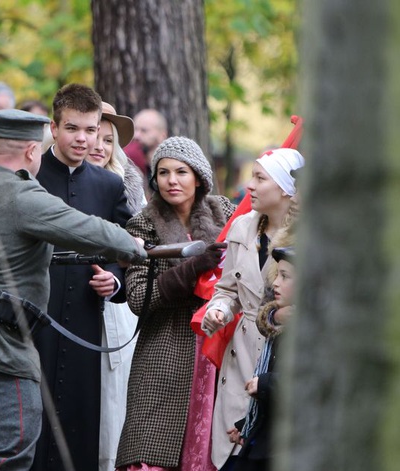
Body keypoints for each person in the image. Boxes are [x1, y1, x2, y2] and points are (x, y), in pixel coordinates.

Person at [0, 108, 148, 469]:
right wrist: (135, 248)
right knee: (10, 451)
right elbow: (87, 229)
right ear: (33, 151)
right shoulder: (23, 195)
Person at [114, 136, 235, 471]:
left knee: (211, 450)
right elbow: (139, 298)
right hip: (163, 351)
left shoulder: (225, 212)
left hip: (219, 346)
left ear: (199, 177)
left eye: (181, 172)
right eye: (163, 173)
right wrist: (193, 267)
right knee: (148, 450)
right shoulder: (143, 223)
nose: (171, 180)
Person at [33, 83, 133, 470]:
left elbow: (125, 252)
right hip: (34, 319)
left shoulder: (109, 184)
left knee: (79, 423)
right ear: (54, 128)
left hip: (86, 324)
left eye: (90, 130)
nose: (83, 138)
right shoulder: (30, 176)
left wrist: (113, 280)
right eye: (73, 128)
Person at [202, 148, 304, 471]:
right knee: (233, 455)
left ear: (286, 188)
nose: (250, 186)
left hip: (284, 358)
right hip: (241, 358)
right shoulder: (242, 228)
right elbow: (226, 289)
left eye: (260, 178)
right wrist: (218, 310)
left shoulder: (309, 237)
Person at [85, 101, 146, 471]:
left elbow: (136, 252)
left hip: (115, 309)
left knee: (114, 399)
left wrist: (116, 277)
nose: (99, 146)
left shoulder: (124, 192)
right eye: (93, 134)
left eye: (108, 140)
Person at [232, 240, 296, 471]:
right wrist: (247, 423)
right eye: (277, 275)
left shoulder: (311, 331)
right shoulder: (280, 325)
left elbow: (308, 380)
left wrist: (266, 383)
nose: (276, 283)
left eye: (285, 276)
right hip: (267, 441)